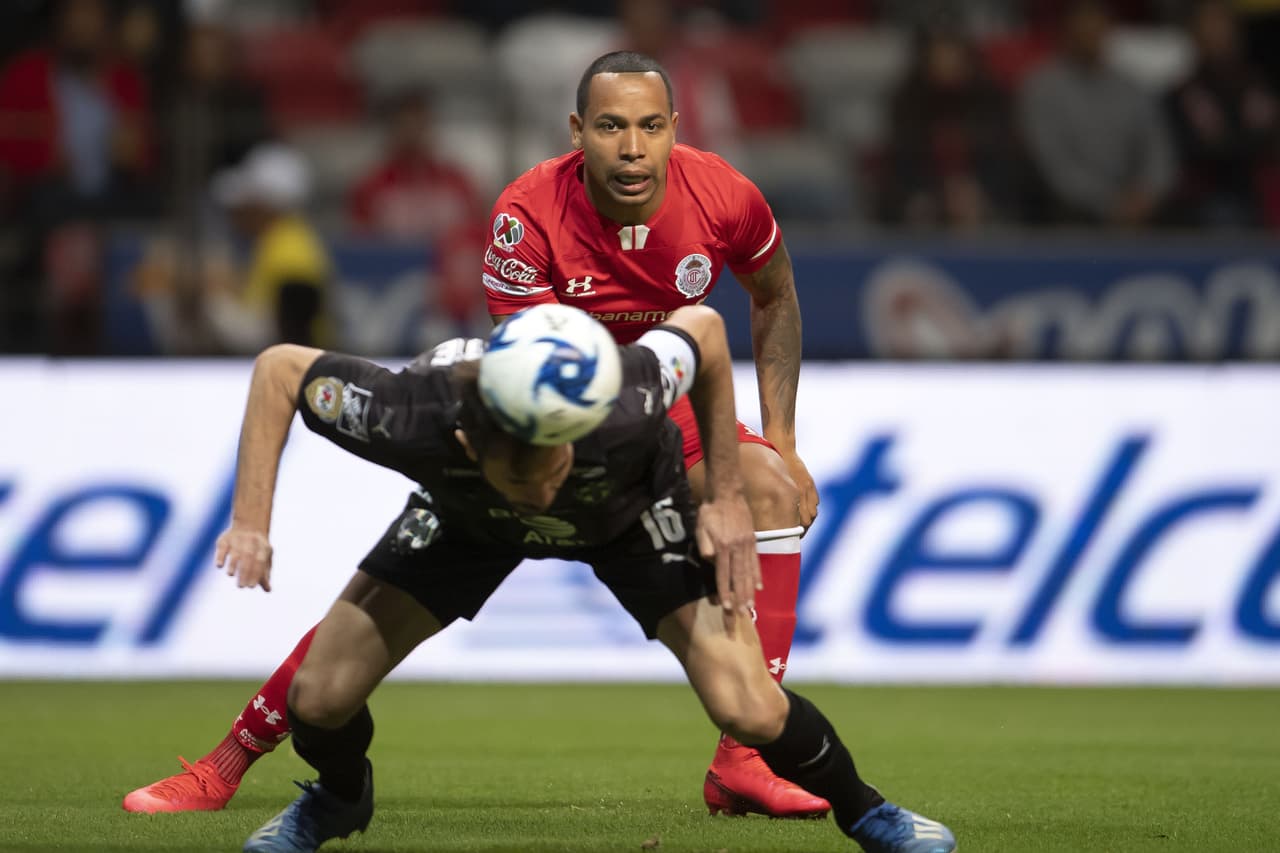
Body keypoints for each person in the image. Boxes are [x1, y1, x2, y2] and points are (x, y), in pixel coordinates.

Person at [123, 51, 821, 820]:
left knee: (770, 489)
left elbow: (775, 291)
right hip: (540, 434)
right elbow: (548, 384)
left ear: (674, 130)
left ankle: (744, 760)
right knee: (365, 625)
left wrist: (780, 440)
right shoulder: (527, 214)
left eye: (651, 127)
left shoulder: (724, 194)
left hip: (651, 407)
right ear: (577, 131)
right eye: (613, 127)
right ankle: (227, 760)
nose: (632, 148)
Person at [219, 301, 956, 853]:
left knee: (750, 708)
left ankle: (867, 811)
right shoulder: (413, 414)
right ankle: (340, 799)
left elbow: (701, 328)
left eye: (562, 453)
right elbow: (279, 369)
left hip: (629, 518)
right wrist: (251, 519)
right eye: (527, 464)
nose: (550, 481)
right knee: (318, 699)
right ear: (471, 438)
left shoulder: (626, 395)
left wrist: (727, 495)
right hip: (467, 522)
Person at [1018, 0, 1176, 228]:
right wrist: (1109, 202)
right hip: (1069, 215)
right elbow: (1054, 164)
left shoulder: (1131, 87)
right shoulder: (1042, 88)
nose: (1090, 38)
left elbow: (1158, 151)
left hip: (1139, 211)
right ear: (1067, 33)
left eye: (1096, 30)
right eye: (1083, 32)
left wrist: (1147, 193)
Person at [1165, 0, 1280, 229]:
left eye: (1224, 25)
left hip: (1261, 190)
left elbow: (1272, 137)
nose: (1219, 34)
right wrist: (1246, 146)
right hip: (1212, 197)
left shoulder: (1257, 86)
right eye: (1210, 25)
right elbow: (1200, 149)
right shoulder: (1184, 93)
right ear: (1195, 36)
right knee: (1225, 215)